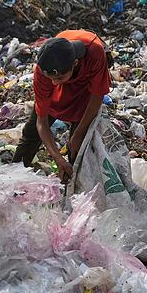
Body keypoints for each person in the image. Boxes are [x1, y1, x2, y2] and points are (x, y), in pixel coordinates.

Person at [13, 30, 112, 183]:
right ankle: (13, 176)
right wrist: (58, 159)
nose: (54, 82)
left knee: (79, 147)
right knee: (31, 133)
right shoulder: (43, 71)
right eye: (50, 78)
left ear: (75, 63)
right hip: (55, 96)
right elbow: (41, 121)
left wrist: (78, 134)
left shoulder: (94, 53)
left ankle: (72, 187)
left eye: (59, 77)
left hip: (83, 91)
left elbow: (96, 97)